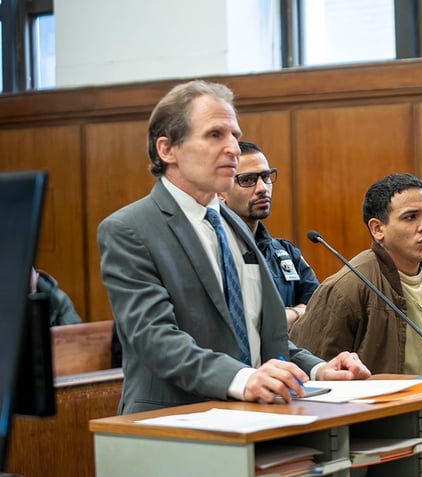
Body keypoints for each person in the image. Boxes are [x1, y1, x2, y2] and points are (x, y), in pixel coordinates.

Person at [97, 80, 370, 415]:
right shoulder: (129, 229)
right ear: (167, 149)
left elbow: (259, 334)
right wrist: (243, 379)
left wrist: (316, 370)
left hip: (255, 417)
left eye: (235, 136)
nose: (233, 149)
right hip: (175, 421)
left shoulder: (235, 225)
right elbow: (156, 340)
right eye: (215, 135)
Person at [290, 173, 422, 375]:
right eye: (410, 217)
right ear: (378, 229)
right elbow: (315, 368)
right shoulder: (348, 287)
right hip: (380, 405)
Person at [218, 140, 319, 328]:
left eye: (266, 176)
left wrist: (291, 314)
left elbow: (320, 308)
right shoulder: (213, 251)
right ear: (220, 192)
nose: (263, 188)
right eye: (248, 180)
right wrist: (297, 312)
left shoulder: (285, 252)